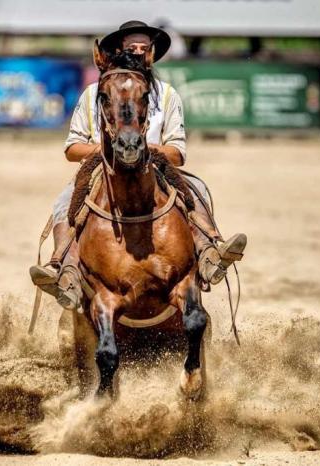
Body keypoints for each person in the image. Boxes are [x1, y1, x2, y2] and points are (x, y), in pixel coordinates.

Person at [30, 20, 246, 310]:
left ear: (151, 57)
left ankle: (211, 252)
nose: (139, 52)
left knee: (196, 189)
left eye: (145, 49)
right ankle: (63, 270)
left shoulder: (167, 95)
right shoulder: (93, 94)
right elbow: (71, 148)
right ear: (120, 50)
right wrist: (105, 149)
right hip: (101, 166)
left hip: (155, 165)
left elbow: (178, 153)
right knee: (64, 201)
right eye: (133, 47)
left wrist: (148, 149)